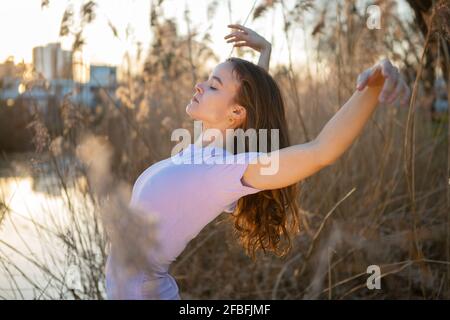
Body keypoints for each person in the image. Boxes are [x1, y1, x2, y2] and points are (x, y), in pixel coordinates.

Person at [105, 24, 410, 300]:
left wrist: (372, 87)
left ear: (235, 114)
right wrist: (264, 54)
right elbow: (250, 110)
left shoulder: (223, 173)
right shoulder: (200, 151)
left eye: (213, 86)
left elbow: (321, 151)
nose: (199, 86)